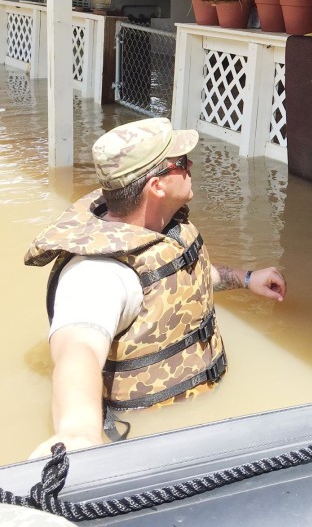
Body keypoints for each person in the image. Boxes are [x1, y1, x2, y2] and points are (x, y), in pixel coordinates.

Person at [25, 117, 287, 457]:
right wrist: (77, 434)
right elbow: (79, 351)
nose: (190, 164)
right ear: (157, 186)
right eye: (180, 163)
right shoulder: (98, 274)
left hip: (201, 410)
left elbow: (180, 279)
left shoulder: (159, 228)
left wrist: (246, 278)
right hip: (153, 444)